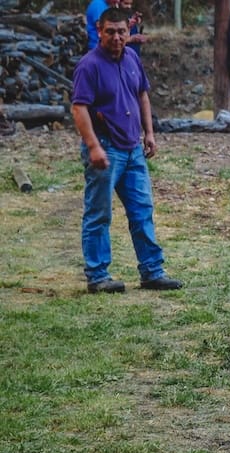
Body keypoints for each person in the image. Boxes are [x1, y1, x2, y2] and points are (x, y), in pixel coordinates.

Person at [72, 8, 182, 294]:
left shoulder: (132, 58)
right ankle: (97, 276)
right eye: (110, 31)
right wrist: (93, 146)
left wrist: (149, 133)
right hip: (105, 149)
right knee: (99, 214)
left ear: (128, 30)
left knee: (142, 211)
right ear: (99, 29)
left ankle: (152, 272)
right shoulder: (89, 65)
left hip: (133, 149)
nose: (117, 37)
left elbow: (142, 94)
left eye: (122, 31)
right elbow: (79, 107)